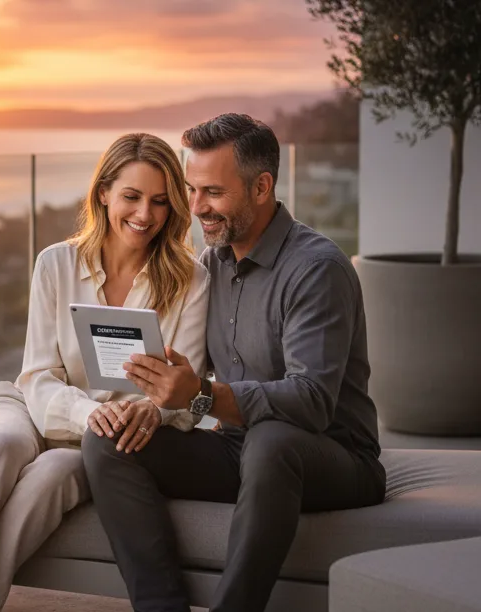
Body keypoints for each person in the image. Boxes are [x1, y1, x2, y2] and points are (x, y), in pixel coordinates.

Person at [82, 113, 387, 612]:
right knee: (108, 443)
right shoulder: (209, 265)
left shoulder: (316, 269)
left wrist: (203, 393)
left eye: (213, 193)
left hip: (334, 456)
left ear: (262, 186)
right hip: (241, 450)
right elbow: (192, 382)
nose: (195, 207)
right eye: (191, 189)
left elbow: (310, 403)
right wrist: (160, 394)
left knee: (272, 439)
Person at [0, 133, 211, 612]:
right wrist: (87, 413)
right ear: (103, 192)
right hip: (31, 404)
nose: (144, 215)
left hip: (108, 438)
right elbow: (38, 373)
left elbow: (180, 398)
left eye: (161, 202)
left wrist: (146, 412)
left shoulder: (192, 280)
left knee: (51, 475)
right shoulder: (56, 263)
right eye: (131, 196)